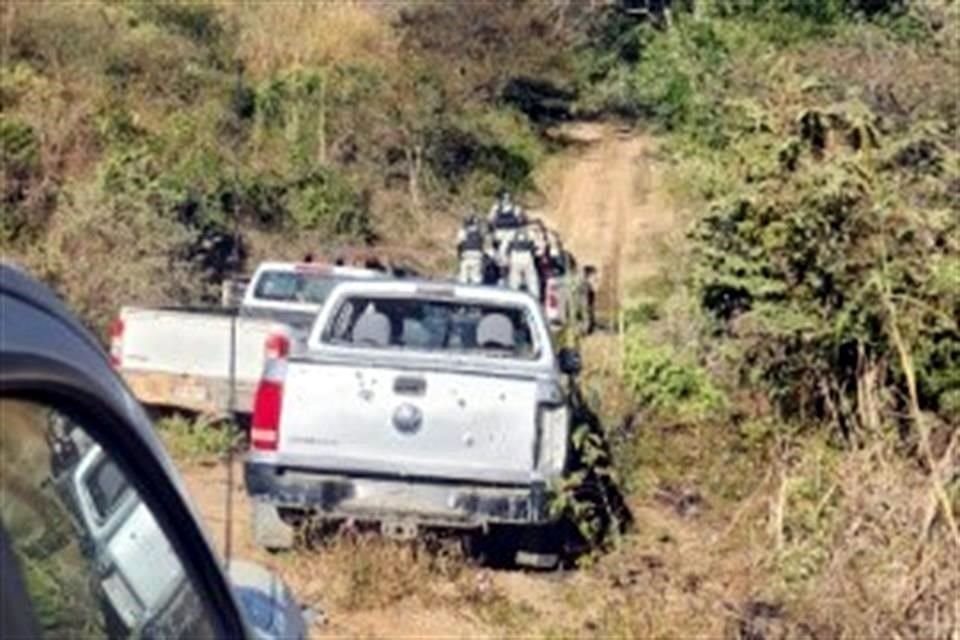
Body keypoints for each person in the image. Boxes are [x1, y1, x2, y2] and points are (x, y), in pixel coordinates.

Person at [503, 226, 540, 300]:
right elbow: (537, 248)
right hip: (524, 256)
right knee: (530, 281)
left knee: (515, 282)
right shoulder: (530, 233)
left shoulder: (510, 234)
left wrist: (507, 258)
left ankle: (513, 299)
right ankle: (534, 299)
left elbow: (505, 249)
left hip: (517, 256)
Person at [456, 215, 486, 285]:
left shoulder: (463, 231)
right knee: (476, 278)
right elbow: (483, 242)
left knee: (463, 278)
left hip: (466, 255)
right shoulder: (480, 231)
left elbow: (459, 244)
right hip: (477, 255)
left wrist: (459, 254)